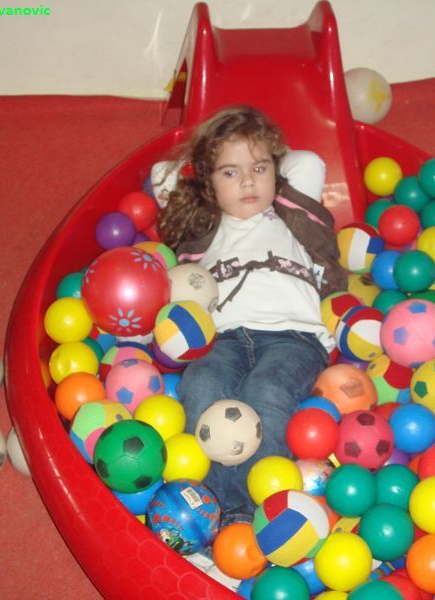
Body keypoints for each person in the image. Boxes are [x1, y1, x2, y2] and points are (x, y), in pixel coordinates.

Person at [157, 105, 347, 523]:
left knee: (267, 391)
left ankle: (243, 515)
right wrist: (205, 174)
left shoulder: (291, 217)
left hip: (293, 337)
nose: (247, 182)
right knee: (203, 385)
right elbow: (161, 175)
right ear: (208, 182)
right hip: (222, 336)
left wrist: (262, 158)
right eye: (230, 172)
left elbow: (308, 163)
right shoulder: (204, 230)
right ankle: (210, 511)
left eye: (259, 169)